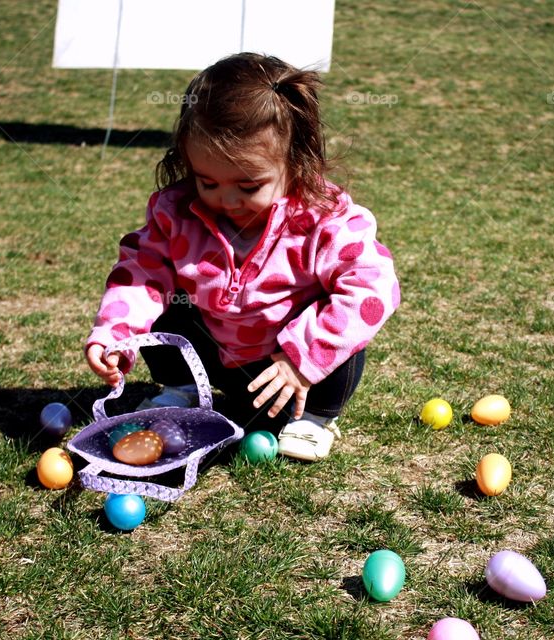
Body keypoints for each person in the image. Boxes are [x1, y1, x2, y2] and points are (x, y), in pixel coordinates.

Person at [84, 53, 399, 461]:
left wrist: (303, 359)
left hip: (292, 375)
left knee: (348, 335)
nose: (226, 199)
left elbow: (372, 288)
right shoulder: (177, 213)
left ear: (296, 162)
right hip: (216, 358)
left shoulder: (326, 219)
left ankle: (317, 418)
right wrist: (115, 334)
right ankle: (180, 391)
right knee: (166, 301)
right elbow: (141, 274)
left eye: (249, 186)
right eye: (207, 181)